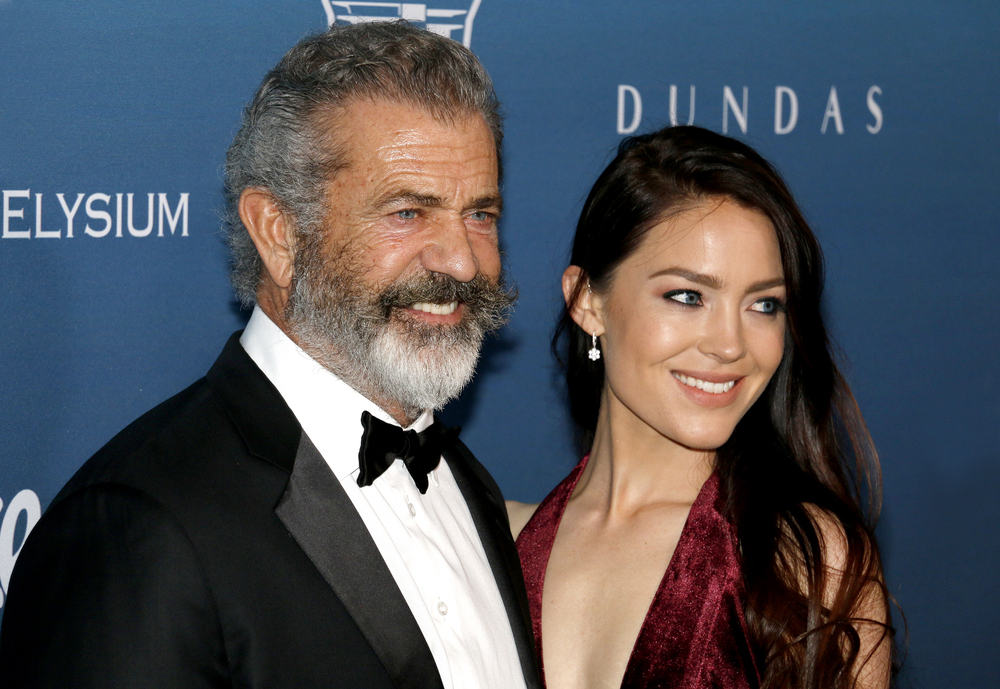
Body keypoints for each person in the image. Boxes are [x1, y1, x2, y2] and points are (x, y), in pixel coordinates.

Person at [0, 22, 541, 689]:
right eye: (407, 212)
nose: (461, 261)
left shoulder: (468, 483)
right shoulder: (135, 525)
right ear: (280, 234)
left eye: (480, 214)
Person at [509, 126, 895, 689]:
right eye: (688, 296)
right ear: (587, 301)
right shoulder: (498, 546)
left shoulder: (807, 559)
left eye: (764, 305)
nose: (730, 345)